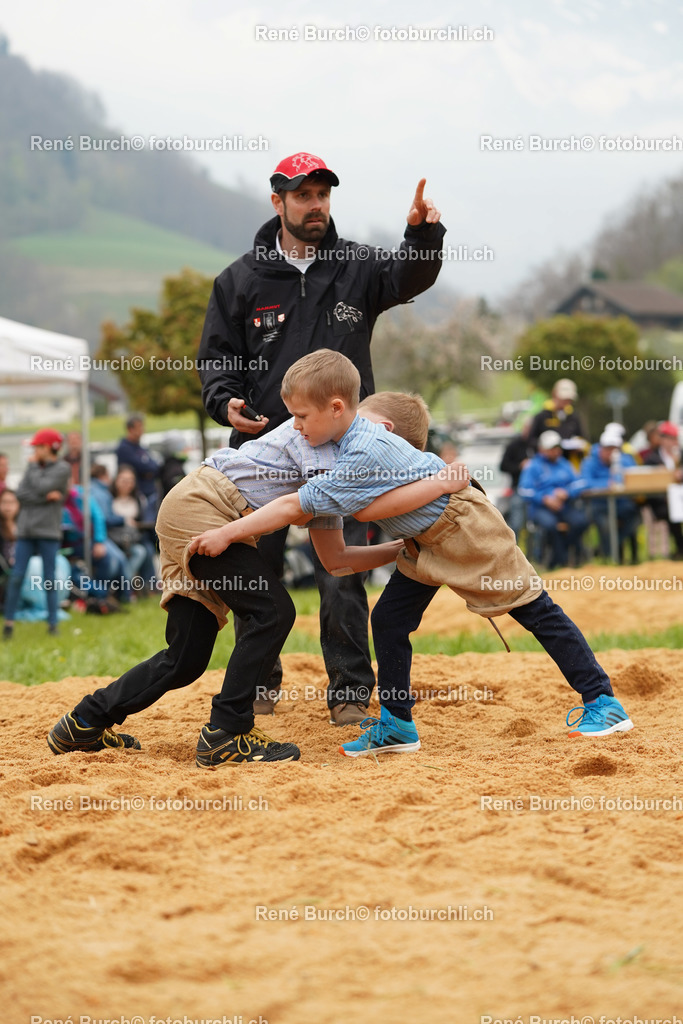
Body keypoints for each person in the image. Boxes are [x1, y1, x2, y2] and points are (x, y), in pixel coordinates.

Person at [193, 353, 633, 756]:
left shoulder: (365, 447)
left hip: (463, 526)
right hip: (423, 538)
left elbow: (340, 507)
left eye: (301, 416)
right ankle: (398, 724)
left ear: (341, 411)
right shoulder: (345, 446)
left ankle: (602, 700)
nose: (296, 426)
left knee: (534, 608)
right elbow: (347, 538)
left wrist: (229, 533)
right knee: (388, 620)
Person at [46, 362, 446, 766]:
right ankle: (226, 730)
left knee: (185, 657)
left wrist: (399, 552)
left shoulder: (333, 462)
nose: (297, 424)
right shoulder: (321, 446)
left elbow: (335, 559)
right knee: (271, 611)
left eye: (302, 416)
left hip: (191, 509)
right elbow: (298, 507)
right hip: (204, 511)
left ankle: (84, 722)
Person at [197, 151, 446, 726]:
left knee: (340, 575)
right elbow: (217, 360)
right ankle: (258, 684)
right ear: (277, 201)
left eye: (323, 194)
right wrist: (224, 401)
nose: (316, 205)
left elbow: (409, 277)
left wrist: (422, 234)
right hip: (266, 452)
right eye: (304, 195)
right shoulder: (238, 280)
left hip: (343, 452)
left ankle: (351, 693)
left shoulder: (357, 267)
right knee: (256, 574)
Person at [3, 428, 70, 638]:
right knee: (16, 576)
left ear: (49, 448)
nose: (34, 451)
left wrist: (33, 472)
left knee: (48, 578)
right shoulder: (33, 467)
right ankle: (9, 623)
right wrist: (45, 497)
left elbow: (41, 486)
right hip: (25, 531)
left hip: (48, 532)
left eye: (38, 447)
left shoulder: (62, 468)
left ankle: (52, 623)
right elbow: (21, 494)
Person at [518, 430, 588, 569]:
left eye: (557, 448)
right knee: (550, 526)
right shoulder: (533, 466)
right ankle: (558, 561)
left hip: (564, 506)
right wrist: (544, 499)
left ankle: (561, 556)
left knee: (581, 522)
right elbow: (524, 490)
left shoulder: (565, 464)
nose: (555, 451)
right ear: (541, 449)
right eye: (551, 448)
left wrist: (567, 493)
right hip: (541, 508)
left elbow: (580, 483)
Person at [580, 425, 640, 562]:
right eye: (607, 449)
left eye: (615, 449)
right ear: (601, 448)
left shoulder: (625, 460)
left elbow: (633, 477)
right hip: (598, 505)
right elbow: (585, 483)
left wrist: (619, 478)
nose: (611, 452)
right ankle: (609, 558)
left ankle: (608, 548)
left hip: (620, 503)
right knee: (606, 524)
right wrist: (606, 484)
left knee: (635, 517)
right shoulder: (589, 462)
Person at [643, 420, 683, 559]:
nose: (673, 442)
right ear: (663, 439)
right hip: (661, 502)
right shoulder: (652, 458)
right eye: (670, 438)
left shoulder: (680, 455)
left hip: (679, 500)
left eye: (675, 438)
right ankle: (680, 549)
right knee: (673, 513)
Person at [115, 415, 160, 519]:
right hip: (137, 495)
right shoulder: (124, 448)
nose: (142, 431)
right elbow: (144, 467)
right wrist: (147, 470)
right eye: (139, 427)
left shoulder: (140, 447)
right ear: (130, 429)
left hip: (149, 493)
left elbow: (154, 466)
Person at [528, 379, 586, 448]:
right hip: (546, 458)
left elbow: (583, 438)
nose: (566, 402)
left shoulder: (574, 417)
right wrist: (545, 447)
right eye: (563, 398)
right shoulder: (542, 416)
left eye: (569, 399)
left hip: (568, 457)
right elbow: (531, 440)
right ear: (554, 394)